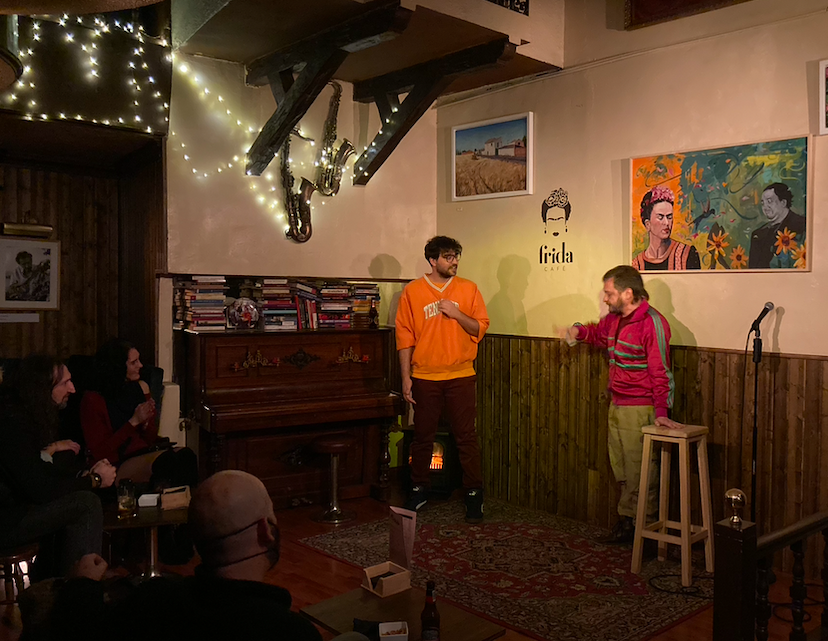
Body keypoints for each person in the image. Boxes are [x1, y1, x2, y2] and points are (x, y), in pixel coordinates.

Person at [42, 471, 368, 641]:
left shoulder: (152, 602)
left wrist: (81, 585)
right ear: (265, 531)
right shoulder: (288, 632)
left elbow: (78, 631)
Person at [563, 266, 681, 544]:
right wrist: (578, 331)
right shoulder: (615, 320)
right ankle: (629, 525)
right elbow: (598, 334)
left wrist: (661, 412)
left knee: (641, 472)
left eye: (609, 293)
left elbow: (661, 371)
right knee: (622, 469)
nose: (605, 298)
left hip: (639, 409)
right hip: (617, 403)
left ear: (628, 293)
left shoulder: (652, 323)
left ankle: (646, 533)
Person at [395, 236, 490, 522]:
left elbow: (479, 327)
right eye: (449, 257)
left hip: (461, 375)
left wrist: (457, 314)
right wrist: (405, 378)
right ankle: (418, 489)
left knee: (466, 437)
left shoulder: (469, 289)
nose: (455, 261)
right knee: (423, 437)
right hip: (425, 376)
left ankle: (474, 493)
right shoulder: (412, 292)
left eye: (456, 256)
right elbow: (404, 338)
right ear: (433, 260)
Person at [0, 355, 116, 577]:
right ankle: (80, 586)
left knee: (72, 479)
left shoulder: (25, 414)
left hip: (15, 508)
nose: (72, 389)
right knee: (85, 503)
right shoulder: (11, 423)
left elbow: (38, 471)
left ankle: (55, 580)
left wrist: (81, 476)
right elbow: (40, 489)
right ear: (42, 388)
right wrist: (94, 480)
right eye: (65, 383)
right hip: (6, 520)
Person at [80, 339, 197, 489]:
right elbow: (101, 452)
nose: (140, 366)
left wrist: (146, 423)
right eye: (133, 362)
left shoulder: (141, 388)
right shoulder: (92, 400)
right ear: (118, 367)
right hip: (116, 461)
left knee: (186, 456)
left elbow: (150, 438)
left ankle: (188, 501)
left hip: (144, 451)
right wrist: (134, 422)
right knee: (168, 462)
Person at [631, 186, 700, 271]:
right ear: (648, 224)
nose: (666, 223)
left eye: (669, 217)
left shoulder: (688, 254)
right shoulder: (636, 264)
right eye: (660, 217)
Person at [748, 182, 806, 269]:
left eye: (769, 201)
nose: (765, 207)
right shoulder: (758, 235)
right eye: (763, 203)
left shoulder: (802, 226)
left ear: (783, 202)